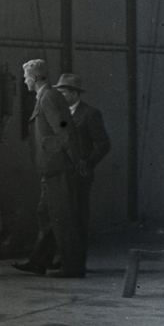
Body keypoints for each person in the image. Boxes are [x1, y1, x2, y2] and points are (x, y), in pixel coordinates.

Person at [14, 60, 85, 278]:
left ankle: (72, 267)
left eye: (26, 76)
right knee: (46, 215)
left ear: (33, 78)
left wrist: (76, 161)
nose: (25, 80)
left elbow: (63, 131)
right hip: (51, 168)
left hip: (59, 168)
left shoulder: (48, 97)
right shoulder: (45, 97)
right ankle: (39, 261)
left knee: (61, 218)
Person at [55, 73, 110, 271]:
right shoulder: (59, 114)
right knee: (63, 218)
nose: (60, 95)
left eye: (63, 91)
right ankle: (65, 259)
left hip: (79, 175)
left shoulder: (90, 114)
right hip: (60, 174)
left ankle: (76, 264)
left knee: (77, 218)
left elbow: (103, 144)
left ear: (74, 93)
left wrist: (87, 163)